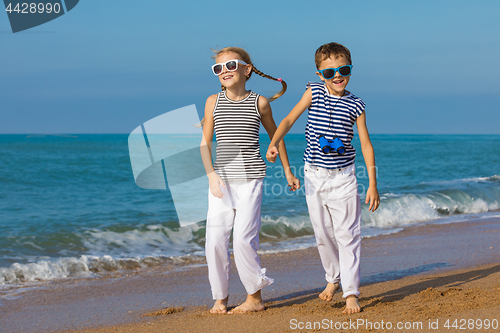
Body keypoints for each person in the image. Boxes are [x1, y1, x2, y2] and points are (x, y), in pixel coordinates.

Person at [266, 42, 380, 314]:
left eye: (343, 70)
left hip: (344, 177)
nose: (337, 76)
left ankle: (351, 292)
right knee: (322, 234)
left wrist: (373, 183)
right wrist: (274, 142)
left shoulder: (356, 105)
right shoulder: (314, 91)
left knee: (348, 235)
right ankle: (333, 278)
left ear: (350, 70)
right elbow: (290, 119)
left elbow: (365, 144)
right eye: (329, 72)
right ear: (319, 74)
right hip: (314, 175)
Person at [200, 47, 300, 314]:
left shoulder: (260, 103)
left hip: (251, 179)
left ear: (247, 70)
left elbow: (276, 138)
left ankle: (254, 298)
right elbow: (204, 144)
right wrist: (210, 175)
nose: (224, 71)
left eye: (230, 65)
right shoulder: (213, 101)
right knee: (215, 240)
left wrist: (288, 171)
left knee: (244, 239)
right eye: (218, 68)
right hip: (219, 181)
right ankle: (220, 297)